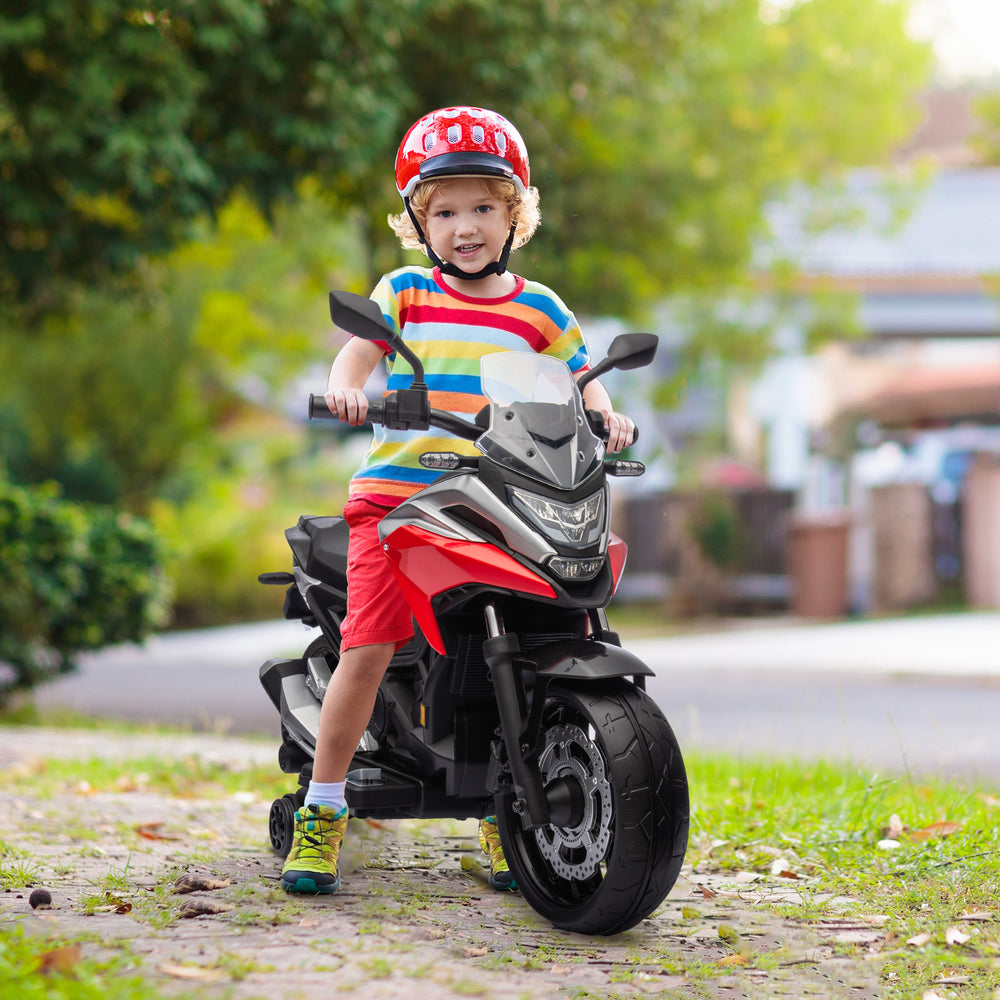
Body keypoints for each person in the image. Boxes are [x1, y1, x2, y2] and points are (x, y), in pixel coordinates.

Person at [281, 106, 635, 896]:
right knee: (370, 645)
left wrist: (607, 413)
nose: (464, 226)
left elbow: (583, 377)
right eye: (443, 210)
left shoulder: (539, 307)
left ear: (516, 214)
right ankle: (325, 808)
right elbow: (357, 354)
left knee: (547, 625)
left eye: (482, 206)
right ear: (417, 221)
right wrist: (347, 393)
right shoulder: (405, 290)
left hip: (504, 497)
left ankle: (511, 803)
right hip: (403, 499)